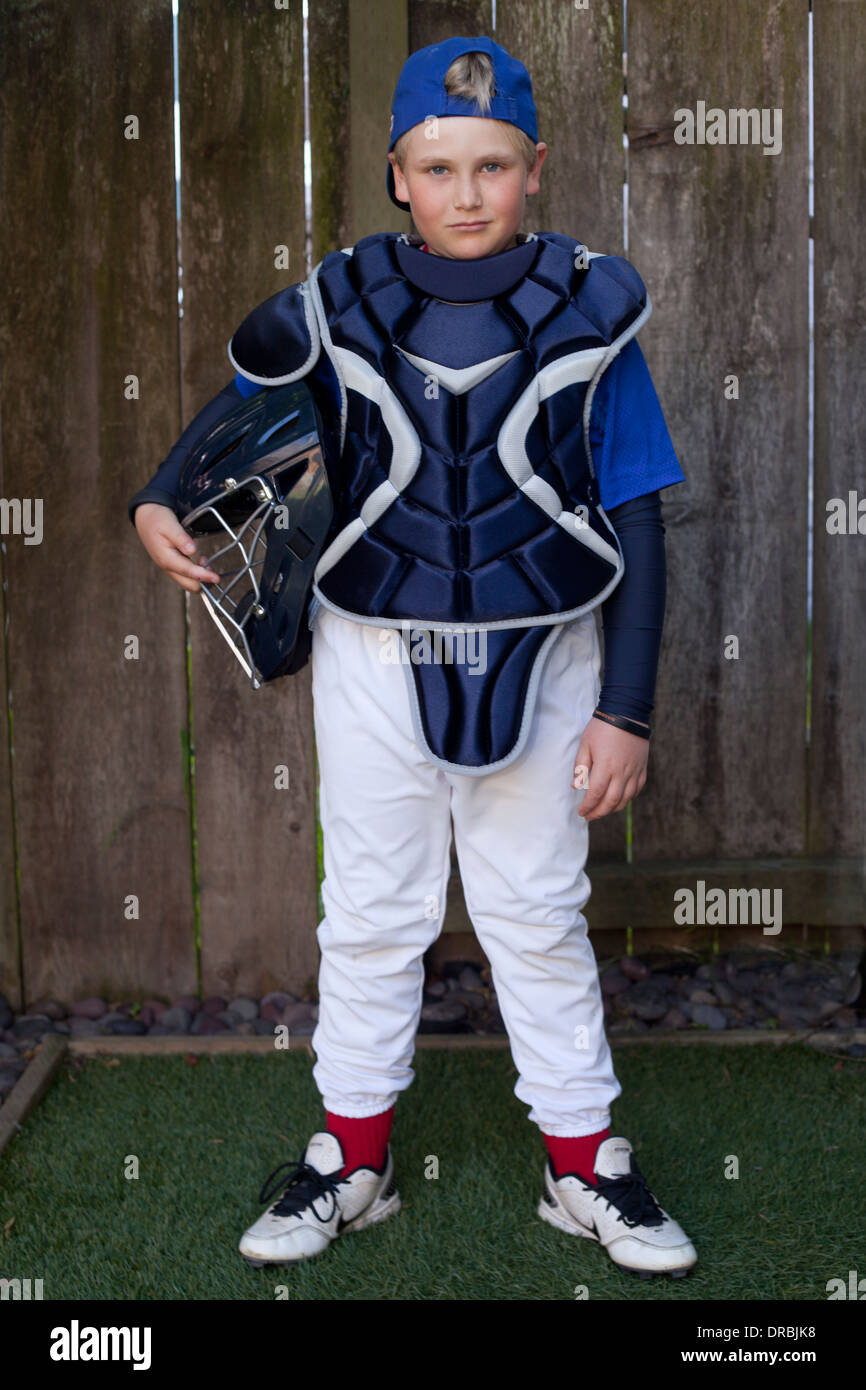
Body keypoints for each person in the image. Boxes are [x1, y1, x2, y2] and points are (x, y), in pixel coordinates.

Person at [129, 35, 696, 1280]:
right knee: (373, 912)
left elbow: (641, 513)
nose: (466, 190)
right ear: (397, 173)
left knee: (535, 914)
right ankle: (351, 1158)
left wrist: (629, 709)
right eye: (436, 166)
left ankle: (581, 1163)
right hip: (373, 651)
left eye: (492, 164)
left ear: (533, 168)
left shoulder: (591, 311)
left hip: (544, 652)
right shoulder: (342, 301)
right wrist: (157, 496)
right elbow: (240, 409)